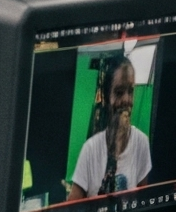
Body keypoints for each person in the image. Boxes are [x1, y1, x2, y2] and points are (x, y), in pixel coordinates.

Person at [65, 55, 152, 199]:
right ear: (106, 98)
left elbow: (142, 199)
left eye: (130, 91)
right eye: (119, 93)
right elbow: (72, 208)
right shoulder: (90, 149)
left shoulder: (141, 142)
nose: (126, 100)